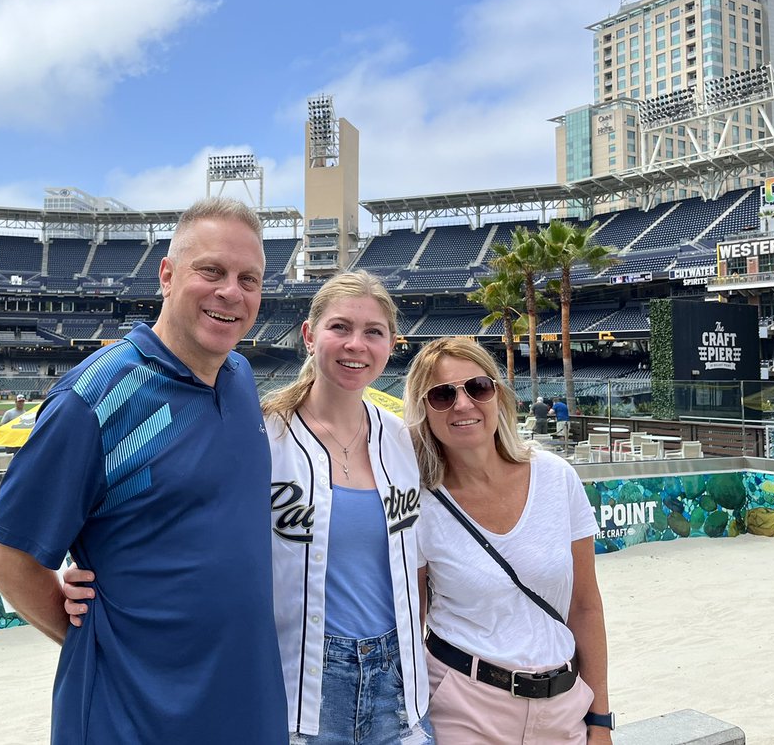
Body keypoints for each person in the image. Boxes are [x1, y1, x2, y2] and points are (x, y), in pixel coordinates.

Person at [68, 271, 433, 744]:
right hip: (297, 676)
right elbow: (194, 523)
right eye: (340, 327)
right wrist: (102, 577)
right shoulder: (261, 432)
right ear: (309, 335)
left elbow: (421, 560)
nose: (355, 345)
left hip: (400, 681)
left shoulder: (403, 439)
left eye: (374, 332)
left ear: (391, 344)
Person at [0, 198, 287, 744]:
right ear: (167, 275)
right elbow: (2, 553)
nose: (231, 292)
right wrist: (93, 639)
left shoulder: (239, 376)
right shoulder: (93, 399)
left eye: (249, 279)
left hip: (246, 703)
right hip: (132, 718)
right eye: (211, 271)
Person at [404, 338, 612, 744]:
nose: (463, 404)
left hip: (562, 706)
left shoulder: (556, 477)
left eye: (478, 387)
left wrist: (601, 720)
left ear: (498, 395)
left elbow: (585, 606)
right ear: (423, 410)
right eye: (442, 395)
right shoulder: (418, 501)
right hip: (464, 707)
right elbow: (413, 620)